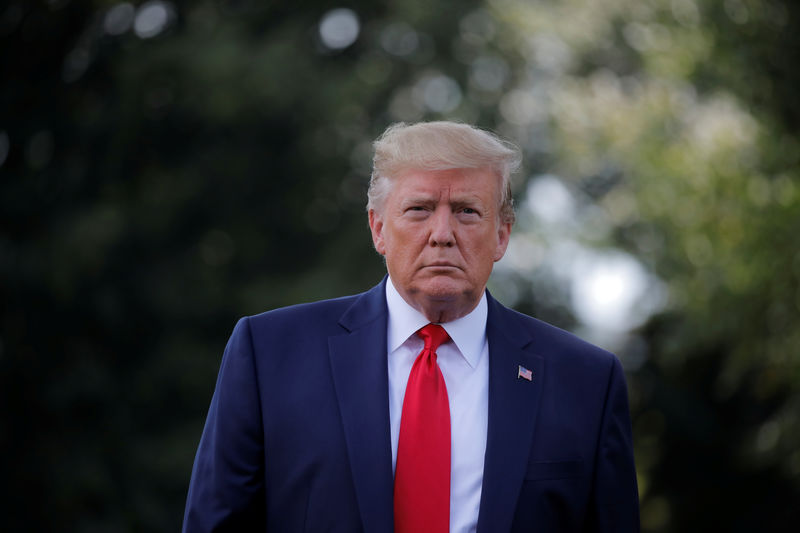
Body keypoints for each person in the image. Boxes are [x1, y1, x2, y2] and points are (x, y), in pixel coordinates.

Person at [183, 121, 640, 532]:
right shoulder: (270, 356)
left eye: (466, 211)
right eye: (420, 209)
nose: (442, 232)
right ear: (378, 228)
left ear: (502, 234)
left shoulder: (585, 381)